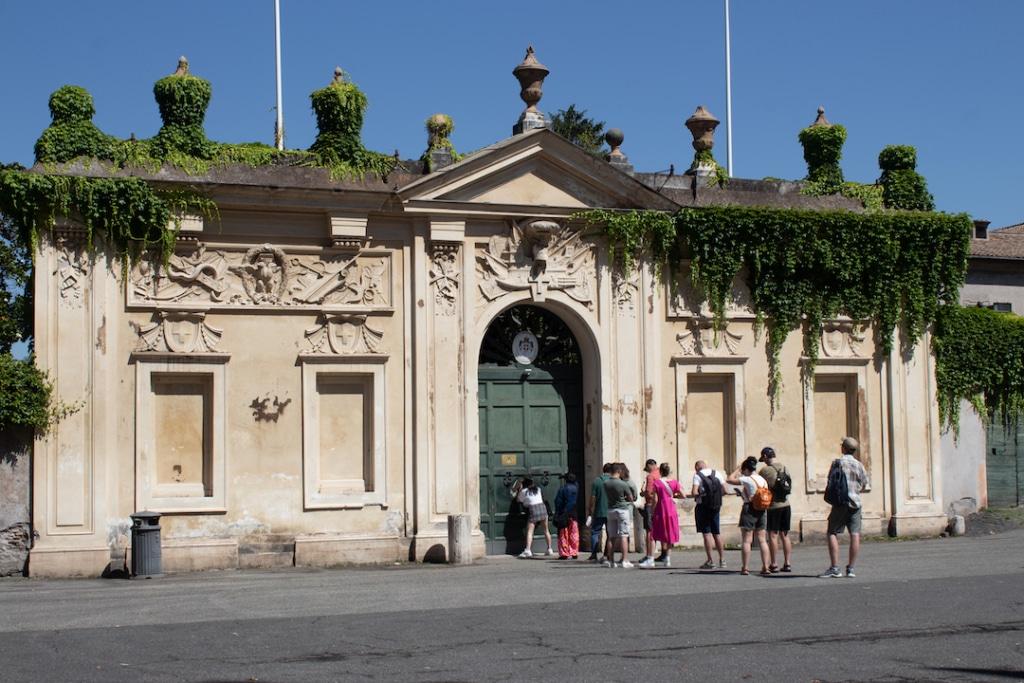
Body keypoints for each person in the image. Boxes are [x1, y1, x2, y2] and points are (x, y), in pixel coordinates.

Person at [820, 436, 871, 578]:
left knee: (832, 532)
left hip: (840, 503)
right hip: (856, 503)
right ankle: (851, 568)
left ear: (843, 448)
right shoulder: (859, 465)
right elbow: (866, 483)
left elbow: (830, 480)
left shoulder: (837, 463)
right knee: (855, 534)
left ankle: (835, 568)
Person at [727, 456, 771, 576]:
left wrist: (737, 469)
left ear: (746, 469)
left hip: (749, 509)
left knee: (747, 540)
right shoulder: (762, 480)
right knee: (762, 540)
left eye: (743, 470)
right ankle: (766, 567)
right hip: (762, 509)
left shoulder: (747, 479)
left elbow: (729, 480)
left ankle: (745, 567)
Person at [758, 446, 793, 573]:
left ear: (766, 457)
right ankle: (787, 563)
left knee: (773, 535)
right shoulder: (784, 467)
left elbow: (760, 486)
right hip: (786, 504)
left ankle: (774, 563)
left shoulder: (765, 471)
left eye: (763, 458)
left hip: (773, 506)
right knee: (785, 534)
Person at [644, 462, 683, 568]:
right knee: (669, 534)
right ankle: (667, 559)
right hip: (671, 510)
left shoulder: (657, 483)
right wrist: (673, 495)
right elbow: (683, 494)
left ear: (660, 471)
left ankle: (650, 559)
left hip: (661, 510)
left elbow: (655, 499)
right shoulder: (675, 482)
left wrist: (652, 510)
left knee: (654, 533)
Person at [691, 460, 726, 569]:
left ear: (697, 467)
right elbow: (724, 490)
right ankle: (722, 560)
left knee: (706, 533)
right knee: (717, 533)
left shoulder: (697, 476)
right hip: (716, 506)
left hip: (703, 506)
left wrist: (701, 495)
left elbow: (694, 492)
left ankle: (710, 560)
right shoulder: (717, 473)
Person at [602, 463, 637, 568]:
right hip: (622, 509)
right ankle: (625, 560)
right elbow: (631, 498)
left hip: (610, 509)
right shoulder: (623, 484)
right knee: (624, 535)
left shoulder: (606, 483)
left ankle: (611, 560)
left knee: (611, 536)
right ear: (618, 471)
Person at [511, 477, 554, 558]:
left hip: (533, 510)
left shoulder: (524, 491)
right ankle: (549, 549)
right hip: (542, 508)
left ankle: (527, 550)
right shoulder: (538, 489)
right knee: (546, 530)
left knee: (530, 531)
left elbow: (518, 500)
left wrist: (519, 490)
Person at [586, 463, 612, 562]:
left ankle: (594, 554)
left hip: (599, 511)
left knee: (595, 532)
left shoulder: (597, 481)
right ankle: (607, 554)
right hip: (611, 511)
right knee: (610, 533)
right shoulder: (614, 481)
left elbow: (593, 498)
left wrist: (590, 511)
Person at [637, 459, 660, 567]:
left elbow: (650, 492)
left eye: (647, 469)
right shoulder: (662, 474)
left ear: (651, 465)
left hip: (650, 505)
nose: (647, 472)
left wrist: (643, 493)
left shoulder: (650, 476)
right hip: (663, 505)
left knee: (649, 531)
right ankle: (665, 555)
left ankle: (649, 555)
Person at [554, 472, 579, 559]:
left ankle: (564, 552)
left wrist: (558, 512)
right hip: (574, 512)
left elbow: (558, 502)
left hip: (564, 513)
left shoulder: (563, 489)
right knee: (574, 533)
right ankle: (574, 551)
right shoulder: (576, 487)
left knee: (563, 533)